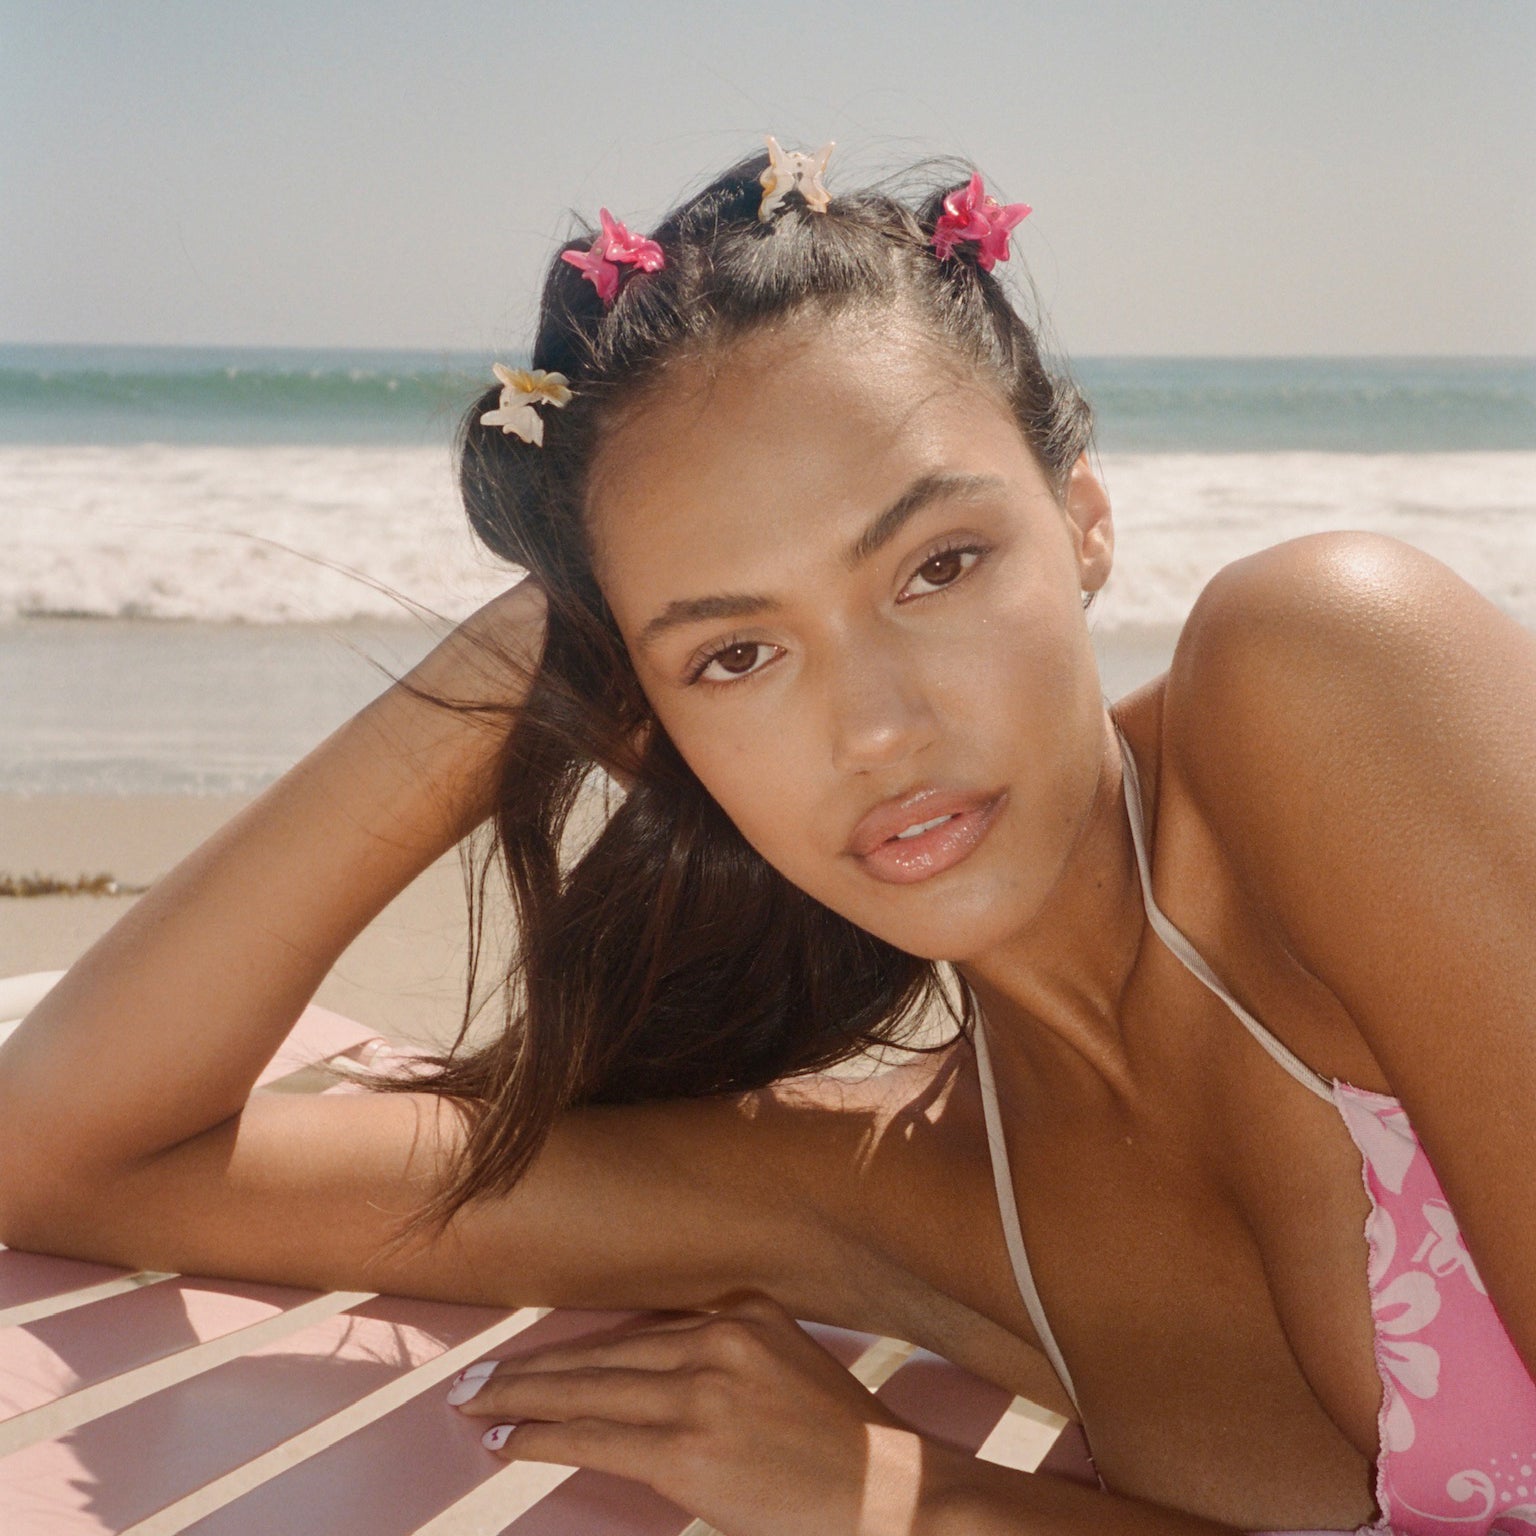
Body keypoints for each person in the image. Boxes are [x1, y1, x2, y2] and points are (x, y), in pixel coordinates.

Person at [1, 142, 1532, 1536]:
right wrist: (525, 654)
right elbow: (62, 1155)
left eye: (938, 564)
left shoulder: (1330, 678)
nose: (874, 728)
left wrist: (923, 1509)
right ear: (653, 732)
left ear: (1083, 518)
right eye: (736, 655)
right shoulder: (886, 1193)